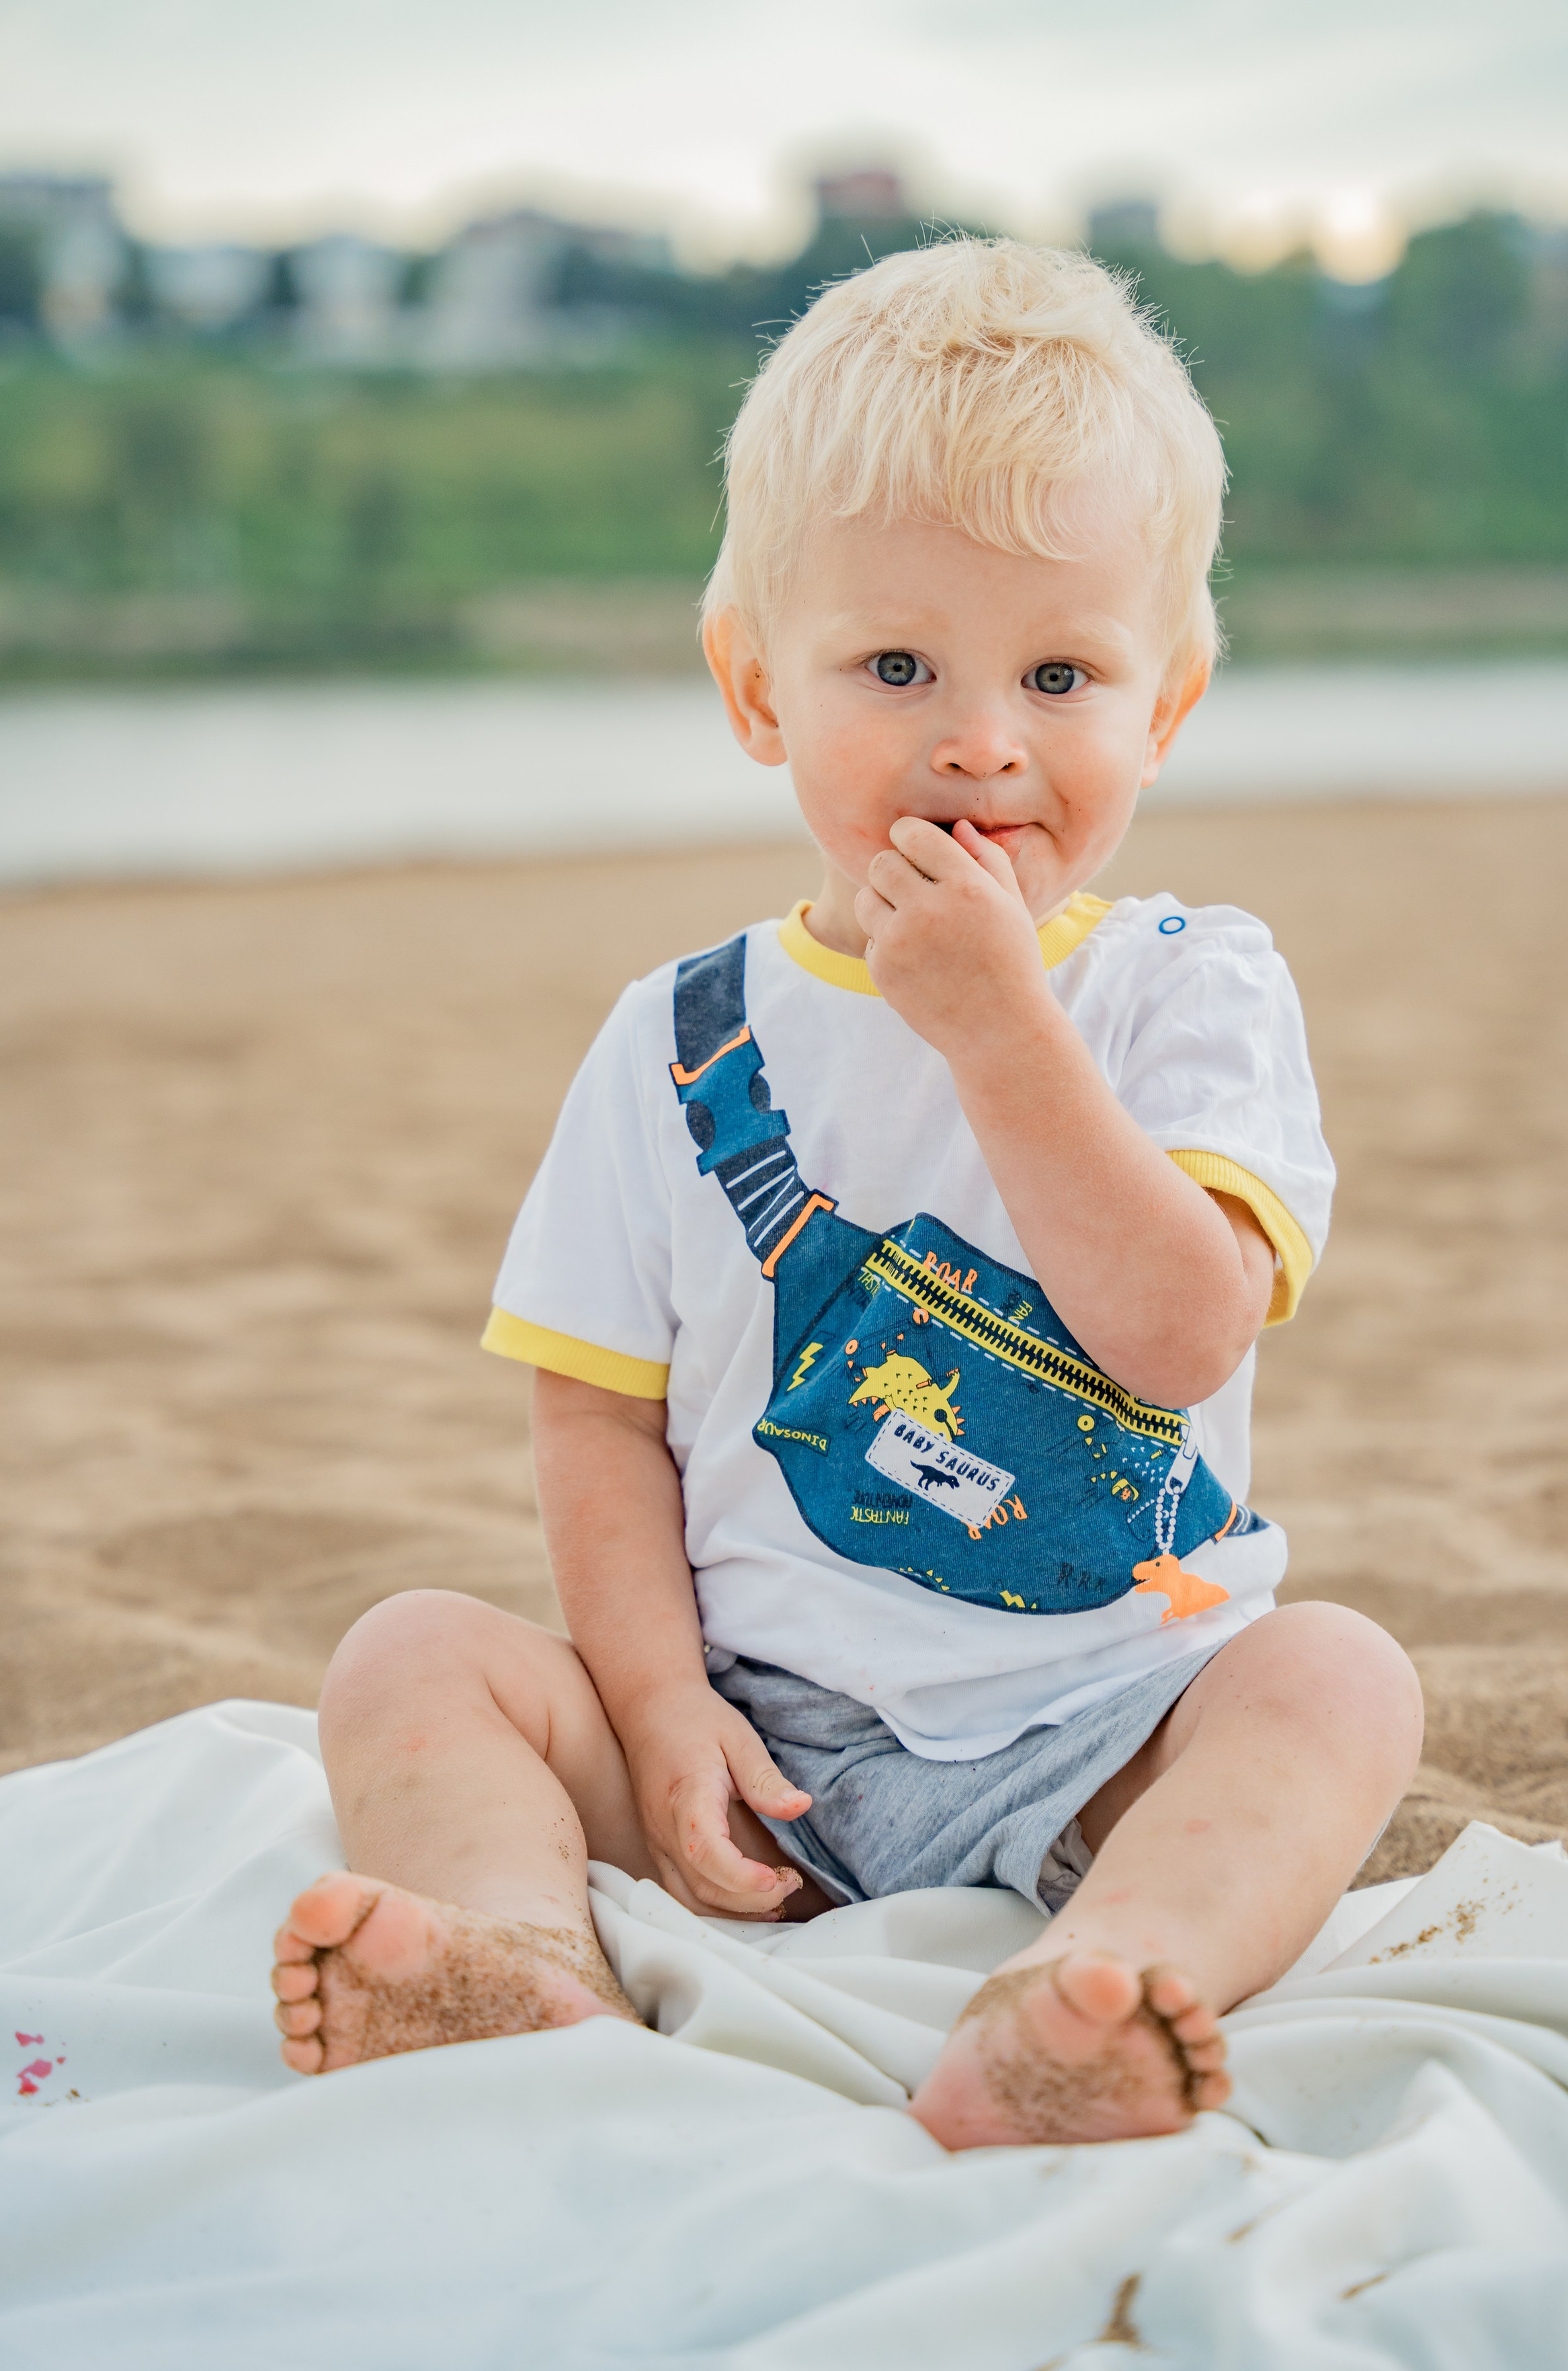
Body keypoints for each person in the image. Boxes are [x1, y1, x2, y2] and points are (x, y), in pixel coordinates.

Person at [270, 239, 1423, 2148]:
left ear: (1172, 704)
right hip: (763, 1738)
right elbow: (597, 1418)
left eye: (1061, 673)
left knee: (1336, 1684)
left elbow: (1179, 1330)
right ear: (756, 689)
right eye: (897, 667)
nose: (981, 740)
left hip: (1101, 1716)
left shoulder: (1184, 987)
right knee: (411, 1654)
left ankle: (1092, 1989)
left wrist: (1001, 1035)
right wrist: (654, 1713)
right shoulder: (677, 1036)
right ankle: (509, 1957)